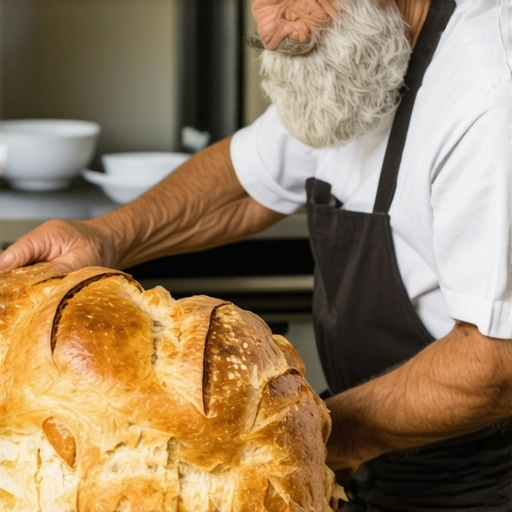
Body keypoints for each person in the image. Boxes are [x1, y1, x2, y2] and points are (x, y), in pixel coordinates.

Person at [1, 0, 511, 508]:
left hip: (483, 483)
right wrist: (105, 236)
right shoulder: (359, 51)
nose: (271, 32)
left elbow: (497, 362)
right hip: (364, 459)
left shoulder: (489, 94)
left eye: (290, 0)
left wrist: (296, 440)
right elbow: (247, 181)